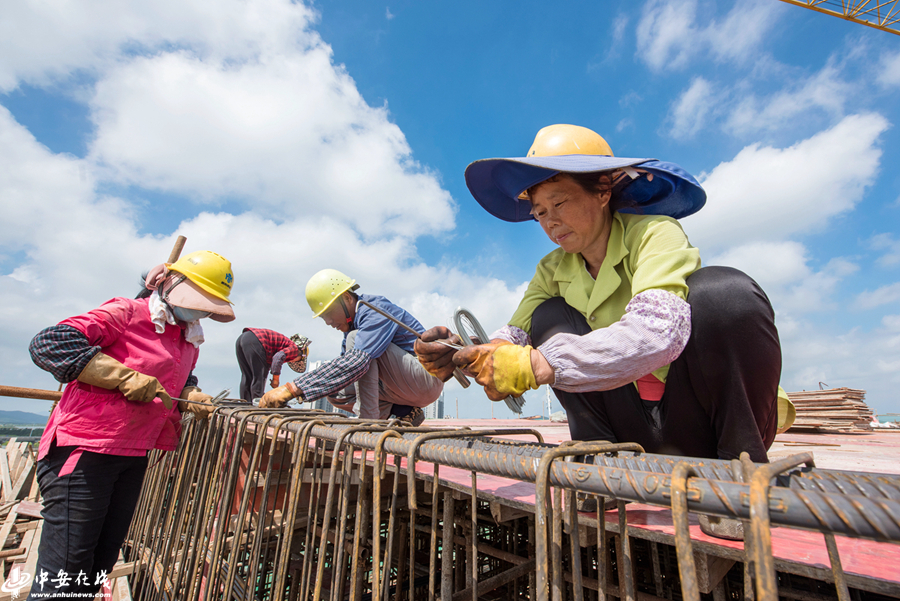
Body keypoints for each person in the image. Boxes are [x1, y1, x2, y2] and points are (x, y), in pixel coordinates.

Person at [416, 124, 790, 465]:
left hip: (700, 423)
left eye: (559, 203)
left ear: (602, 191)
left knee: (724, 294)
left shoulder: (655, 233)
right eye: (540, 212)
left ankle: (740, 473)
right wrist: (463, 354)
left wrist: (540, 363)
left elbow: (657, 335)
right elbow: (514, 336)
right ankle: (597, 459)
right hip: (631, 432)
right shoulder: (552, 269)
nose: (550, 222)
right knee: (549, 315)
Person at [26, 250, 235, 599]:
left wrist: (191, 391)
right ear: (170, 284)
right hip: (84, 450)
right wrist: (120, 376)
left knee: (98, 565)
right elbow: (50, 343)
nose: (200, 310)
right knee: (67, 566)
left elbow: (175, 374)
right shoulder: (126, 312)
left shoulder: (187, 336)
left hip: (133, 453)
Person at [259, 269, 442, 426]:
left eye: (329, 314)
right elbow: (343, 372)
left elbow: (356, 363)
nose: (329, 322)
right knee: (335, 390)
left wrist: (291, 389)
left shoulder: (373, 310)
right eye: (324, 318)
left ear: (347, 298)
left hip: (426, 378)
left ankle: (368, 424)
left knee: (357, 353)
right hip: (404, 388)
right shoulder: (353, 329)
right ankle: (405, 412)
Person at [235, 329, 310, 401]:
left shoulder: (278, 347)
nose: (294, 362)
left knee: (247, 376)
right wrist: (275, 380)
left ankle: (245, 402)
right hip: (257, 340)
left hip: (243, 338)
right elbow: (278, 357)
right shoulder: (294, 349)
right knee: (259, 376)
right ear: (301, 355)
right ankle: (257, 403)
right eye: (298, 360)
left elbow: (275, 360)